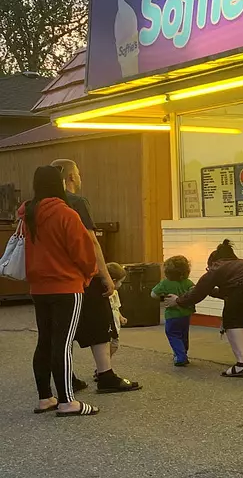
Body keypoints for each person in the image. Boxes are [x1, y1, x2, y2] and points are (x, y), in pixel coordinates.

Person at [50, 159, 140, 394]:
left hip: (52, 276)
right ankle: (105, 374)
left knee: (62, 328)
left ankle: (66, 376)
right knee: (100, 322)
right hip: (82, 274)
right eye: (78, 174)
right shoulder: (76, 202)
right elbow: (91, 241)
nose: (80, 178)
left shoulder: (39, 205)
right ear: (70, 177)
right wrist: (106, 276)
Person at [19, 165, 100, 416]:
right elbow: (83, 253)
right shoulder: (66, 213)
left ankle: (45, 397)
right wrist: (89, 274)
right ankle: (67, 401)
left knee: (44, 340)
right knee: (63, 343)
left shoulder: (27, 213)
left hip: (38, 286)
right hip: (66, 285)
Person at [163, 241, 243, 377]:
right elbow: (235, 291)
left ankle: (241, 365)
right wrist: (212, 291)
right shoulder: (242, 265)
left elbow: (198, 293)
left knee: (232, 316)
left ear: (212, 263)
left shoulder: (218, 267)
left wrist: (177, 301)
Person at [150, 255, 196, 367]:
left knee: (173, 334)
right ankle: (183, 352)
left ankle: (180, 356)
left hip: (172, 314)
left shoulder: (165, 283)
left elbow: (153, 294)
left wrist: (163, 298)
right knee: (183, 334)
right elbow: (194, 293)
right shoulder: (188, 282)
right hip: (186, 314)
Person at [105, 263, 127, 359]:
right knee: (109, 345)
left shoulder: (115, 293)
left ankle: (105, 362)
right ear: (113, 281)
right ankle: (104, 363)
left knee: (114, 345)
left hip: (116, 324)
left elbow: (116, 307)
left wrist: (121, 317)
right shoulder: (105, 294)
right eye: (121, 282)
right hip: (108, 325)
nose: (121, 284)